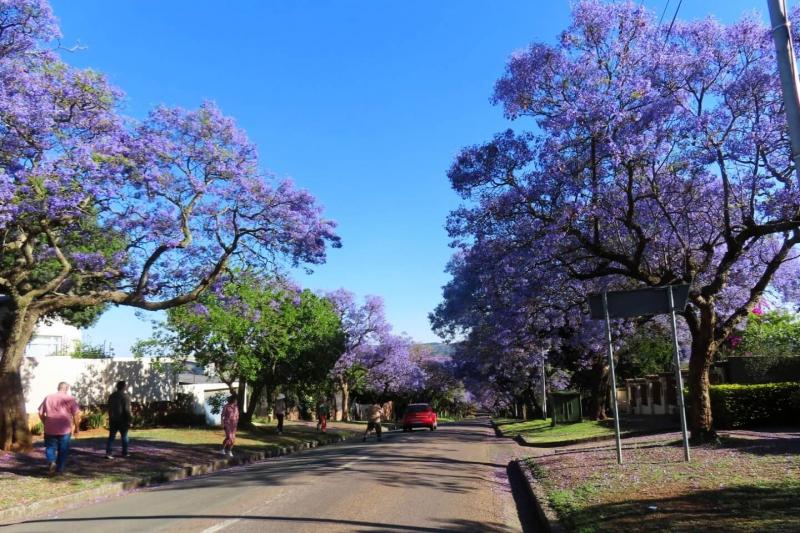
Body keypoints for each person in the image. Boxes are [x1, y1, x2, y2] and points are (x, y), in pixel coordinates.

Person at [38, 382, 81, 475]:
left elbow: (40, 413)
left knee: (50, 447)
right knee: (63, 449)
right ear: (66, 389)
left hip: (50, 427)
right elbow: (76, 414)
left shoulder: (48, 397)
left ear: (58, 388)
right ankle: (59, 470)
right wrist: (77, 427)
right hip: (65, 428)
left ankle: (51, 461)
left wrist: (45, 422)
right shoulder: (70, 399)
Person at [105, 380, 132, 459]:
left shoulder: (111, 396)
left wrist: (110, 417)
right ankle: (125, 452)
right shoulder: (125, 397)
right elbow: (127, 410)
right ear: (124, 387)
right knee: (124, 436)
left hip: (113, 419)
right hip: (122, 420)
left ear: (117, 386)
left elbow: (109, 408)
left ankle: (109, 453)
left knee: (111, 437)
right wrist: (129, 420)